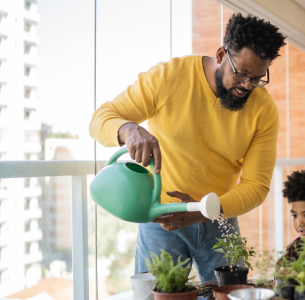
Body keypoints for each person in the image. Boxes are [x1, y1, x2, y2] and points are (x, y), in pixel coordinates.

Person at [89, 13, 286, 281]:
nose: (247, 86)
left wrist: (203, 212)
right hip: (162, 218)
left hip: (219, 219)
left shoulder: (263, 110)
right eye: (240, 74)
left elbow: (256, 186)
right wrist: (128, 129)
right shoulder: (168, 77)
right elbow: (100, 119)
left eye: (257, 78)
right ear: (220, 55)